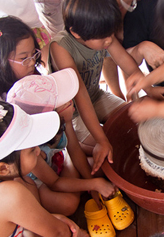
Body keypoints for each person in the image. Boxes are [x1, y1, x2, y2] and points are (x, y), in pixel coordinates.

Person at [49, 0, 164, 168]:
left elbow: (125, 61)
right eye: (103, 38)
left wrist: (150, 89)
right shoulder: (61, 48)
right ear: (77, 33)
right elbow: (81, 97)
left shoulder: (103, 33)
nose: (109, 41)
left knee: (133, 125)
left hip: (95, 95)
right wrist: (101, 140)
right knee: (114, 145)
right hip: (72, 112)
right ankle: (72, 148)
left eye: (111, 33)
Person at [0, 100, 88, 236]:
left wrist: (49, 219)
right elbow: (59, 233)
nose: (38, 152)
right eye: (32, 149)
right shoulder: (8, 194)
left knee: (27, 183)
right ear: (3, 169)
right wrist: (80, 234)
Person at [7, 68, 116, 214]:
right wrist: (94, 184)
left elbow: (75, 151)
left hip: (60, 164)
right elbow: (54, 183)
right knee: (68, 204)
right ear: (48, 117)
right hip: (42, 183)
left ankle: (79, 183)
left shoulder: (64, 121)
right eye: (64, 102)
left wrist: (93, 186)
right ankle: (77, 184)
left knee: (102, 169)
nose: (71, 102)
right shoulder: (29, 149)